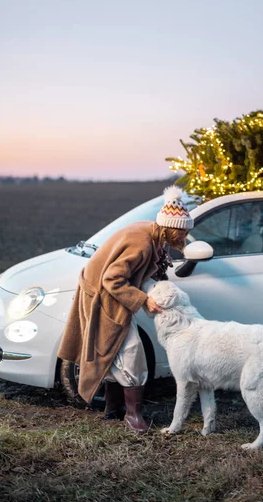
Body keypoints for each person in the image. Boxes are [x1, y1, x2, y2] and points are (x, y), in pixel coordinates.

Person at [57, 185, 193, 433]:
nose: (184, 238)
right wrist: (142, 299)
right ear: (170, 228)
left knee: (113, 352)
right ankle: (133, 416)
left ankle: (113, 410)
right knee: (131, 353)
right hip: (104, 298)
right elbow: (112, 280)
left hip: (111, 296)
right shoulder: (141, 244)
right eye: (183, 233)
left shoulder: (154, 236)